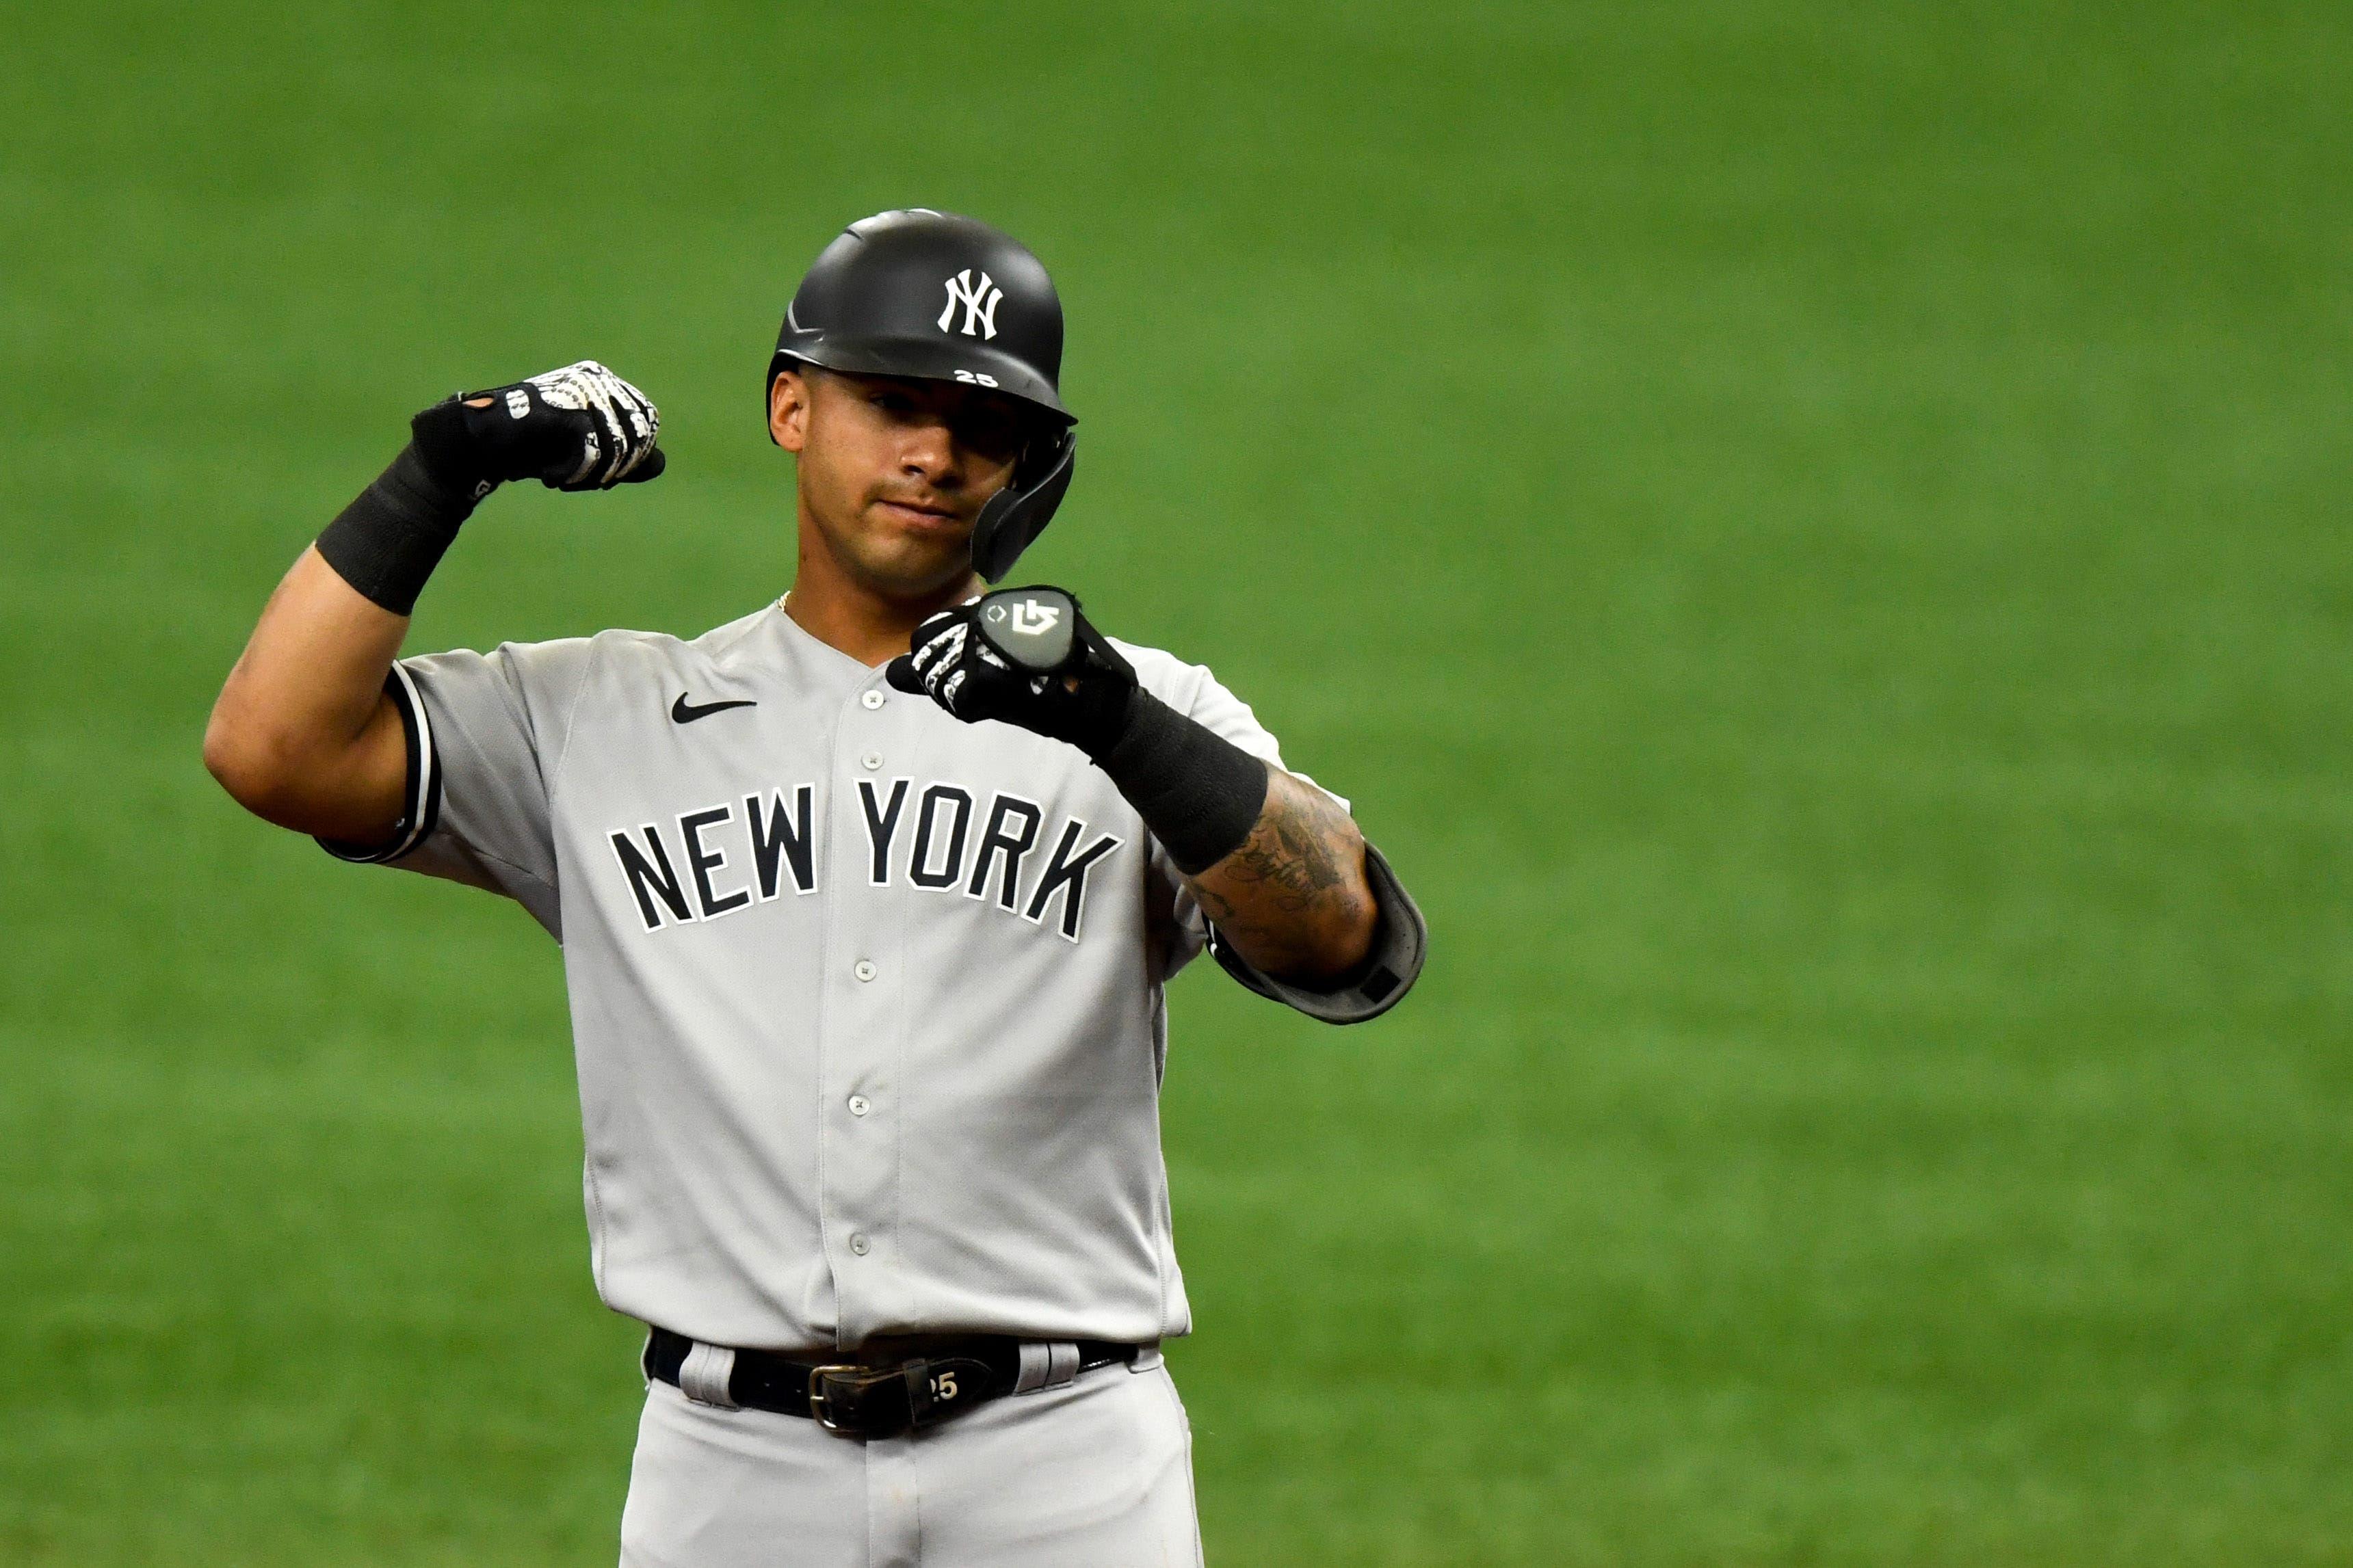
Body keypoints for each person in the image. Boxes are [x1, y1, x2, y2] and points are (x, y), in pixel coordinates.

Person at [202, 208, 1425, 1567]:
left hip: (1066, 1464)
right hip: (731, 1469)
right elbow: (274, 749)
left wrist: (1114, 718)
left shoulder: (1139, 709)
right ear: (791, 406)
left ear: (1030, 463)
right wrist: (445, 467)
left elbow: (1343, 935)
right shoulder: (603, 715)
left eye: (980, 424)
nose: (933, 453)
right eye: (891, 403)